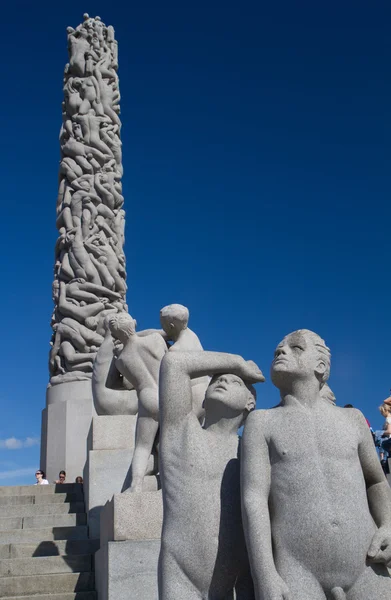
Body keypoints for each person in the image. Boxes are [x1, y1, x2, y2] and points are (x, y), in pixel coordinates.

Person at [241, 329, 391, 600]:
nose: (281, 350)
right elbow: (254, 499)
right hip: (297, 569)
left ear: (320, 366)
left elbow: (376, 480)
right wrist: (263, 573)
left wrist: (388, 523)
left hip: (366, 562)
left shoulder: (353, 419)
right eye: (278, 348)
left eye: (295, 347)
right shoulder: (262, 422)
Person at [158, 350, 264, 599]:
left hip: (239, 579)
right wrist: (237, 363)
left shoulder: (251, 452)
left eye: (235, 382)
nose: (224, 381)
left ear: (250, 402)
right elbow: (174, 362)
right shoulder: (181, 432)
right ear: (204, 399)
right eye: (216, 381)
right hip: (181, 573)